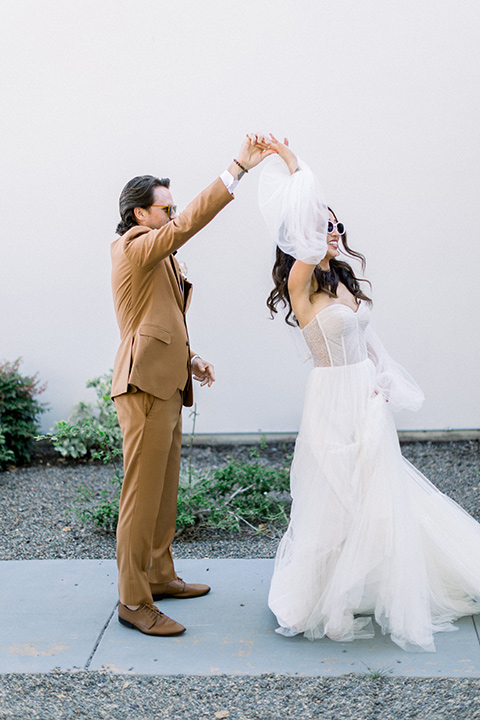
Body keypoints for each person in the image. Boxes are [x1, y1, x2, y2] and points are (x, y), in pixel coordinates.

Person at [258, 135, 480, 652]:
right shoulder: (301, 282)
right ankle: (329, 595)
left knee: (378, 493)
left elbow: (367, 340)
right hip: (330, 397)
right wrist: (291, 163)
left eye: (336, 224)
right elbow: (299, 220)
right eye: (322, 224)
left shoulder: (342, 282)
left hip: (364, 395)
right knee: (335, 494)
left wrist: (383, 380)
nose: (331, 231)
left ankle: (374, 581)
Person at [111, 134, 274, 636]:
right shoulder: (134, 245)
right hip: (143, 387)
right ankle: (133, 601)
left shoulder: (155, 254)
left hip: (166, 381)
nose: (172, 213)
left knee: (162, 491)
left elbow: (160, 318)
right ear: (141, 214)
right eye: (165, 207)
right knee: (141, 493)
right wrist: (236, 171)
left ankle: (159, 576)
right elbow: (185, 228)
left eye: (173, 207)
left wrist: (191, 358)